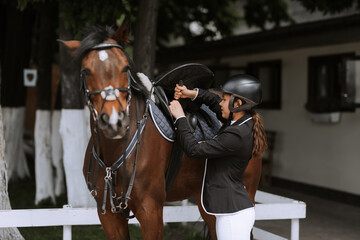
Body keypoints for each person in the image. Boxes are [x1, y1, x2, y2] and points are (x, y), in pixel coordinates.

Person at [168, 74, 267, 240]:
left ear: (238, 104)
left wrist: (180, 118)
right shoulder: (241, 122)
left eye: (225, 99)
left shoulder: (236, 135)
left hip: (232, 216)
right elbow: (213, 101)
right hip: (230, 211)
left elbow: (194, 150)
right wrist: (191, 93)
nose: (220, 102)